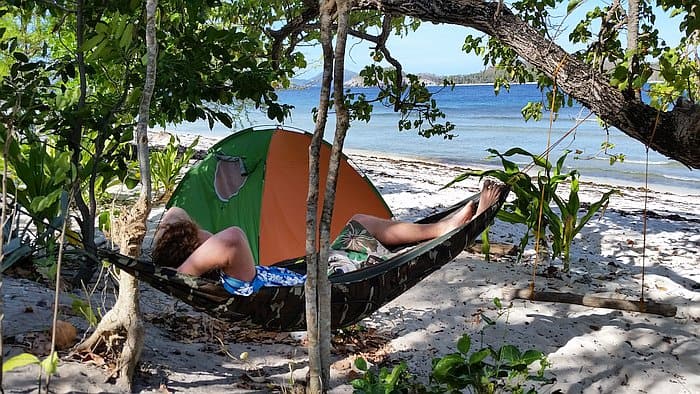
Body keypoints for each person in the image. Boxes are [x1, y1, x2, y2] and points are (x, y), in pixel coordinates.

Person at [151, 180, 504, 296]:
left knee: (359, 221)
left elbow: (174, 216)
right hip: (331, 286)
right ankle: (447, 231)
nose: (206, 227)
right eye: (198, 228)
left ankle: (439, 229)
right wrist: (181, 268)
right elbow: (230, 238)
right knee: (369, 235)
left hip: (320, 272)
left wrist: (176, 247)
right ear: (196, 246)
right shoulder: (233, 277)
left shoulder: (227, 274)